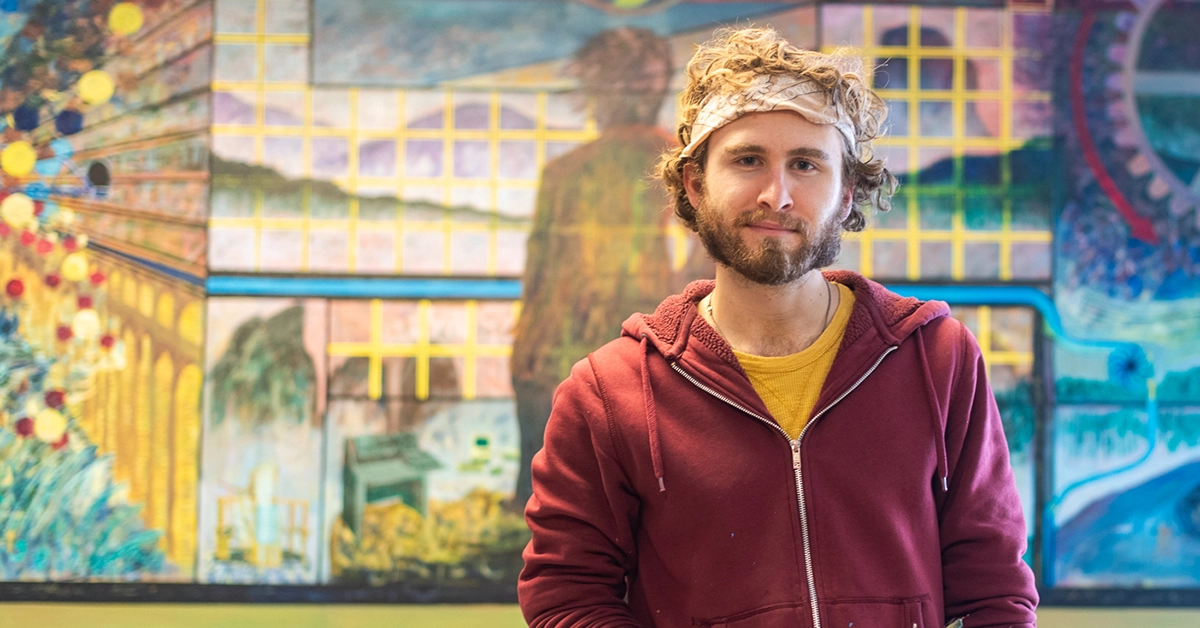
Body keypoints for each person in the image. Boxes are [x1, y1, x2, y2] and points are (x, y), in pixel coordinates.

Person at [518, 26, 1038, 628]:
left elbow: (995, 585)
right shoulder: (609, 393)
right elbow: (568, 597)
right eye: (747, 160)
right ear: (694, 183)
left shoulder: (936, 359)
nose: (777, 195)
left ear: (846, 194)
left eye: (806, 164)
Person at [511, 27, 679, 509]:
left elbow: (538, 270)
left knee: (553, 492)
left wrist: (529, 345)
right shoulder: (685, 167)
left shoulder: (567, 173)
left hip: (568, 348)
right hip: (649, 341)